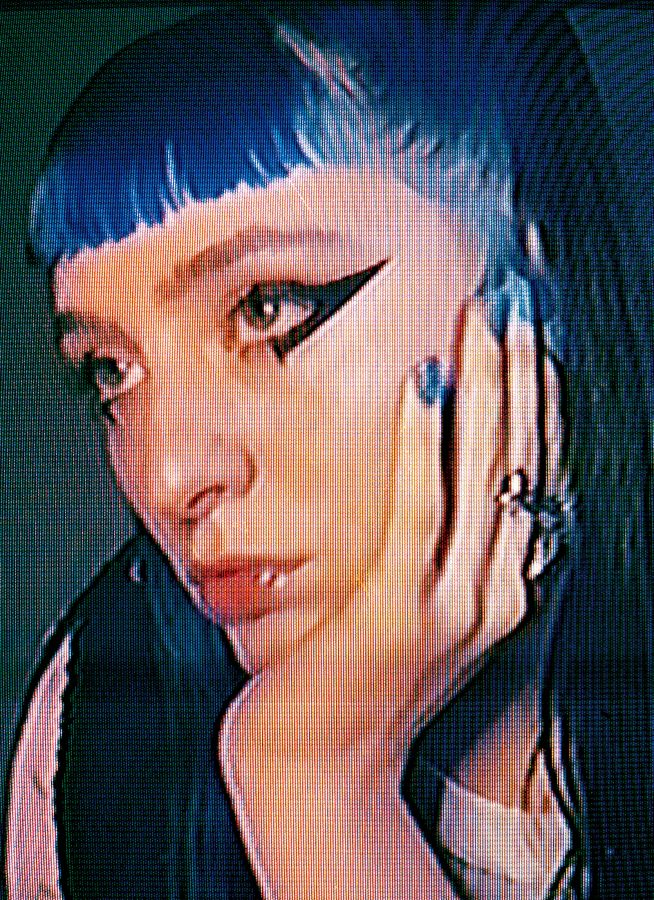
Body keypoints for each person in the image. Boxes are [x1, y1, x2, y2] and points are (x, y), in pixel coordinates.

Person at [4, 2, 653, 898]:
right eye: (110, 371)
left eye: (269, 307)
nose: (167, 477)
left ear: (532, 270)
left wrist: (314, 787)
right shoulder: (100, 714)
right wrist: (307, 771)